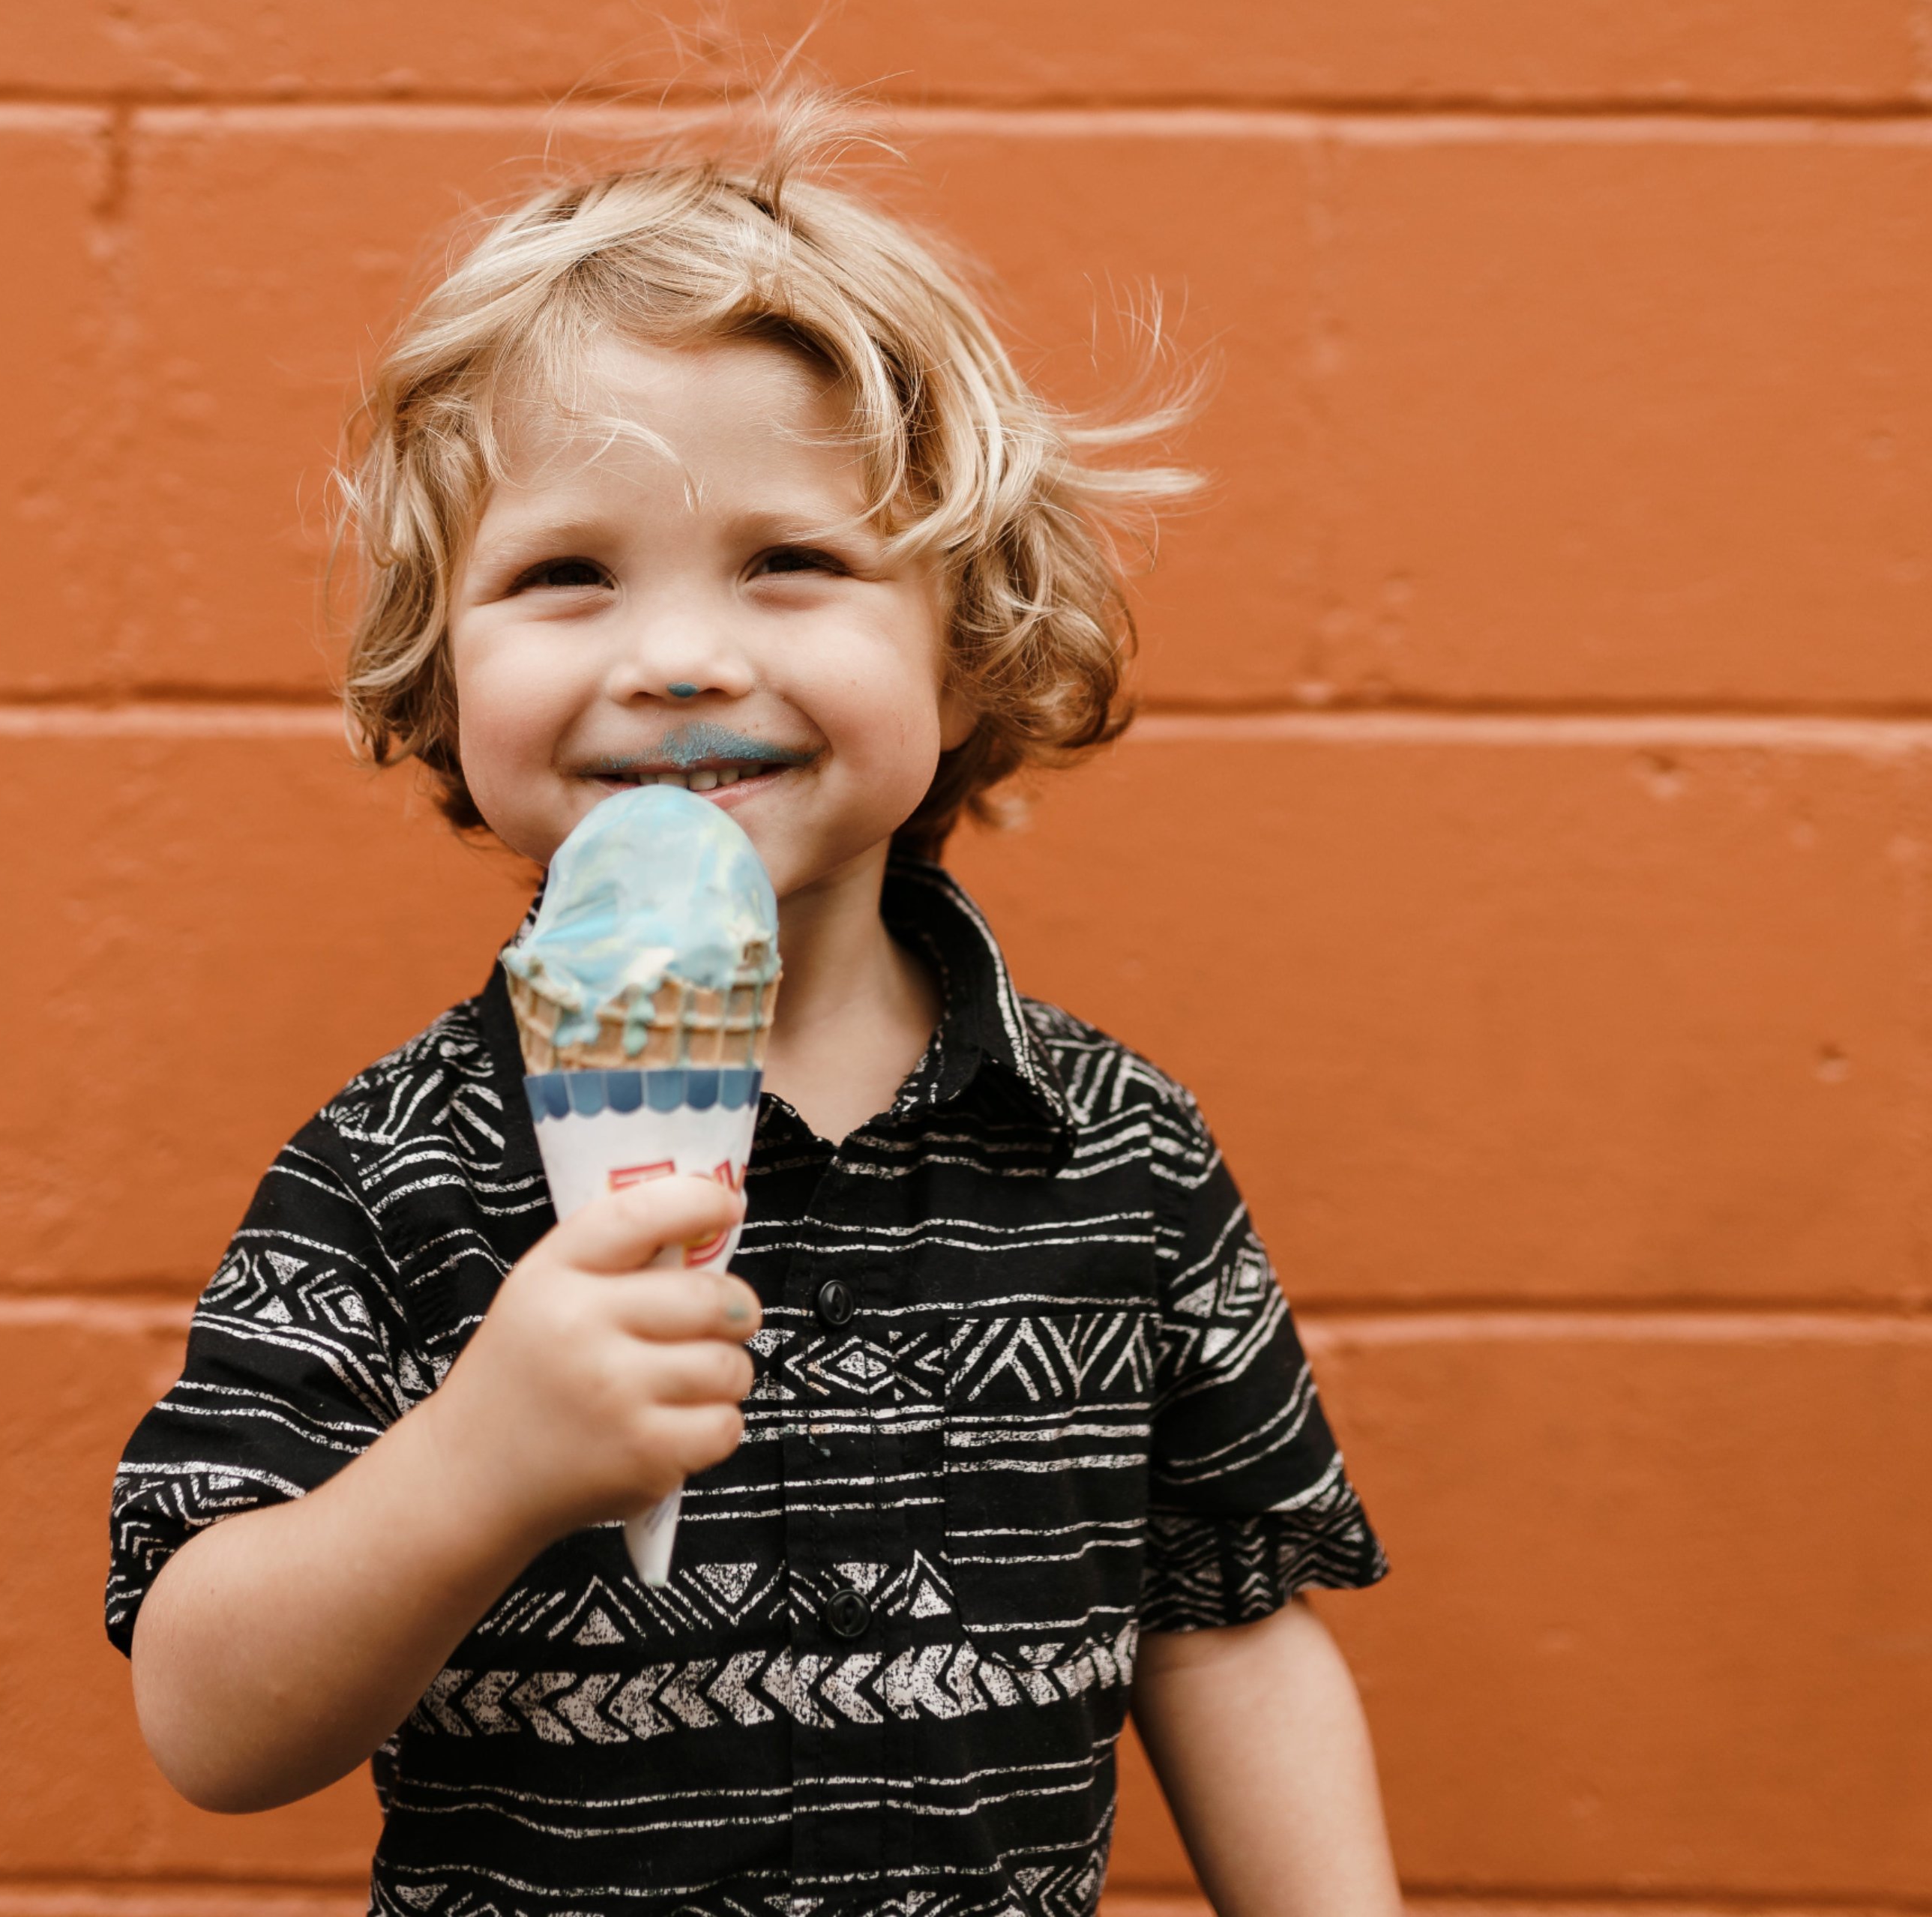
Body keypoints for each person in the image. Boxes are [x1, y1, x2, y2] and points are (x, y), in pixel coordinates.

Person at [107, 101, 1401, 1917]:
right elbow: (208, 1720)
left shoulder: (1120, 1157)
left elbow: (1227, 1634)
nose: (679, 654)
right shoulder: (394, 1170)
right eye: (566, 574)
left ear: (965, 647)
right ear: (440, 670)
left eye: (791, 560)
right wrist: (477, 1465)